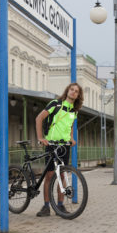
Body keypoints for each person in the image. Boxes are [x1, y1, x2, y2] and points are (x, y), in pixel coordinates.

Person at [35, 82, 83, 217]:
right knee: (50, 175)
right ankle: (46, 206)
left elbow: (70, 125)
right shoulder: (55, 104)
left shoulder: (74, 110)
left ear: (78, 95)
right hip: (51, 144)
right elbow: (39, 118)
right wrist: (40, 137)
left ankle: (60, 205)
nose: (73, 92)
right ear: (67, 91)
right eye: (72, 89)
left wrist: (72, 138)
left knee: (62, 175)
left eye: (76, 91)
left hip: (64, 146)